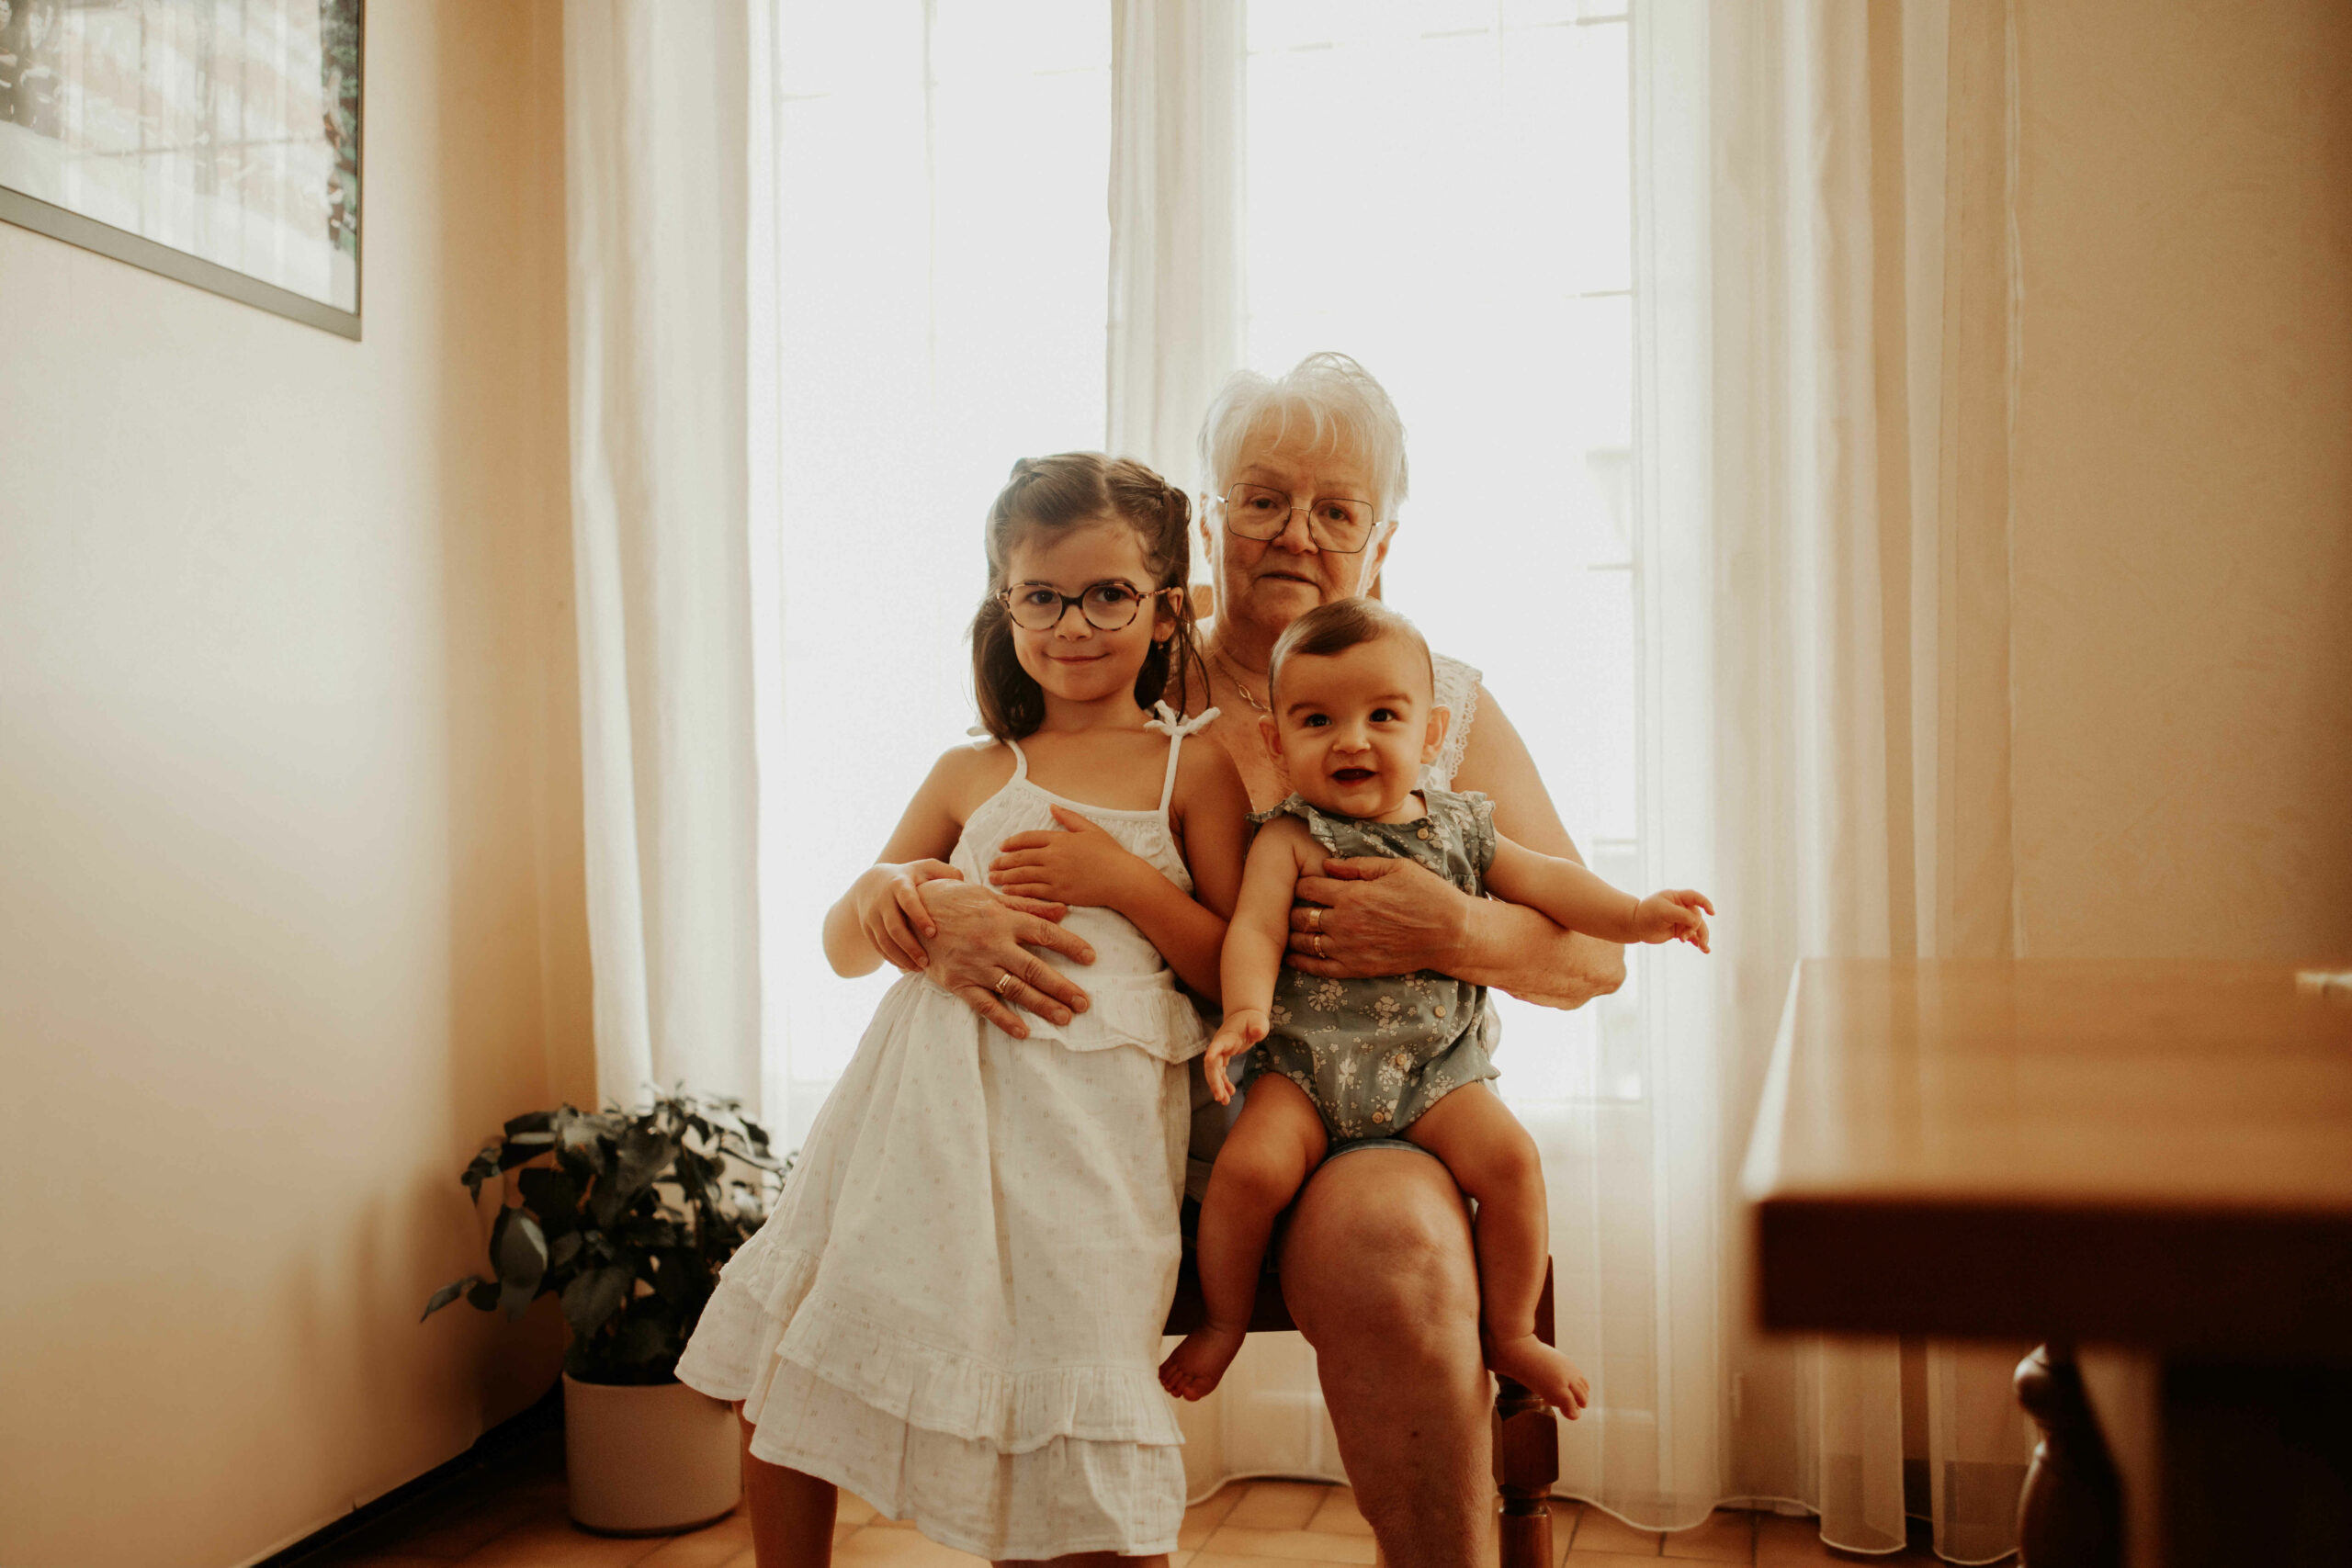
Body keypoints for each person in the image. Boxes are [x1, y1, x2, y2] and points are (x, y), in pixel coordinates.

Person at [909, 353, 1629, 1568]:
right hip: (1111, 1116)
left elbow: (1592, 960)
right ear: (1209, 519)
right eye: (1263, 497)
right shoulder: (1124, 655)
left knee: (1395, 1237)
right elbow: (975, 810)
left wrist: (1450, 927)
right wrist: (928, 905)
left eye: (1335, 508)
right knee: (1021, 1218)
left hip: (1367, 1115)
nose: (1295, 531)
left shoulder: (1432, 698)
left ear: (1382, 541)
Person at [676, 453, 1250, 1567]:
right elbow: (845, 950)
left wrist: (1126, 882)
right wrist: (882, 892)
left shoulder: (1196, 772)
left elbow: (1236, 974)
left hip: (1090, 1147)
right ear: (1003, 601)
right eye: (1040, 596)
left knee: (1074, 1407)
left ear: (1166, 607)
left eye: (1107, 595)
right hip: (919, 1129)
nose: (1073, 625)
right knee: (793, 1369)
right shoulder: (970, 772)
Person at [1158, 598, 1711, 1415]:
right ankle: (1225, 1320)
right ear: (1278, 742)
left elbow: (1553, 885)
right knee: (1248, 1171)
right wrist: (1245, 1010)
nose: (1352, 738)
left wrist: (1635, 914)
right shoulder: (1286, 837)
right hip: (1309, 1067)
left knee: (1515, 1163)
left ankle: (1514, 1332)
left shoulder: (1465, 825)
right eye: (1317, 719)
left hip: (1435, 1072)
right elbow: (1252, 932)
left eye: (1383, 715)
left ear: (1430, 733)